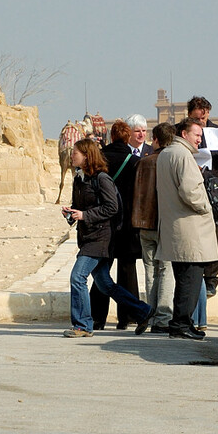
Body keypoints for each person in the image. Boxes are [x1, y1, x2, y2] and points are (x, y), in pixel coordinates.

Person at [61, 139, 153, 338]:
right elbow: (82, 206)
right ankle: (143, 311)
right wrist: (72, 213)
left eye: (75, 152)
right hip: (88, 236)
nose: (72, 155)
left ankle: (83, 325)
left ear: (86, 155)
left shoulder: (102, 179)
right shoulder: (80, 179)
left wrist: (86, 215)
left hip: (101, 238)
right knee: (104, 284)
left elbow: (112, 207)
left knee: (78, 277)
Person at [155, 117, 218, 340]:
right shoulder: (182, 155)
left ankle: (184, 323)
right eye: (196, 135)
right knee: (190, 281)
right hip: (190, 229)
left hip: (176, 227)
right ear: (184, 134)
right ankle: (181, 324)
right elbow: (191, 191)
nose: (199, 140)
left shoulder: (166, 153)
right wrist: (206, 207)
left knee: (184, 279)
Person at [90, 120, 143, 330]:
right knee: (127, 270)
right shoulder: (133, 161)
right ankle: (127, 316)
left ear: (112, 137)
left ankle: (97, 318)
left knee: (101, 270)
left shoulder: (100, 160)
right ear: (127, 137)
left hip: (104, 222)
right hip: (127, 223)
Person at [131, 122, 175, 334]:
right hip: (166, 225)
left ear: (155, 140)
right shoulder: (173, 161)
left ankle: (151, 312)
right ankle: (163, 318)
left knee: (150, 271)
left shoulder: (143, 162)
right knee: (166, 270)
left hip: (145, 224)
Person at [186, 96, 218, 292]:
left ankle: (211, 278)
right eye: (198, 119)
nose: (202, 122)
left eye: (205, 119)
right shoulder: (181, 131)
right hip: (189, 185)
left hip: (212, 188)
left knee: (213, 233)